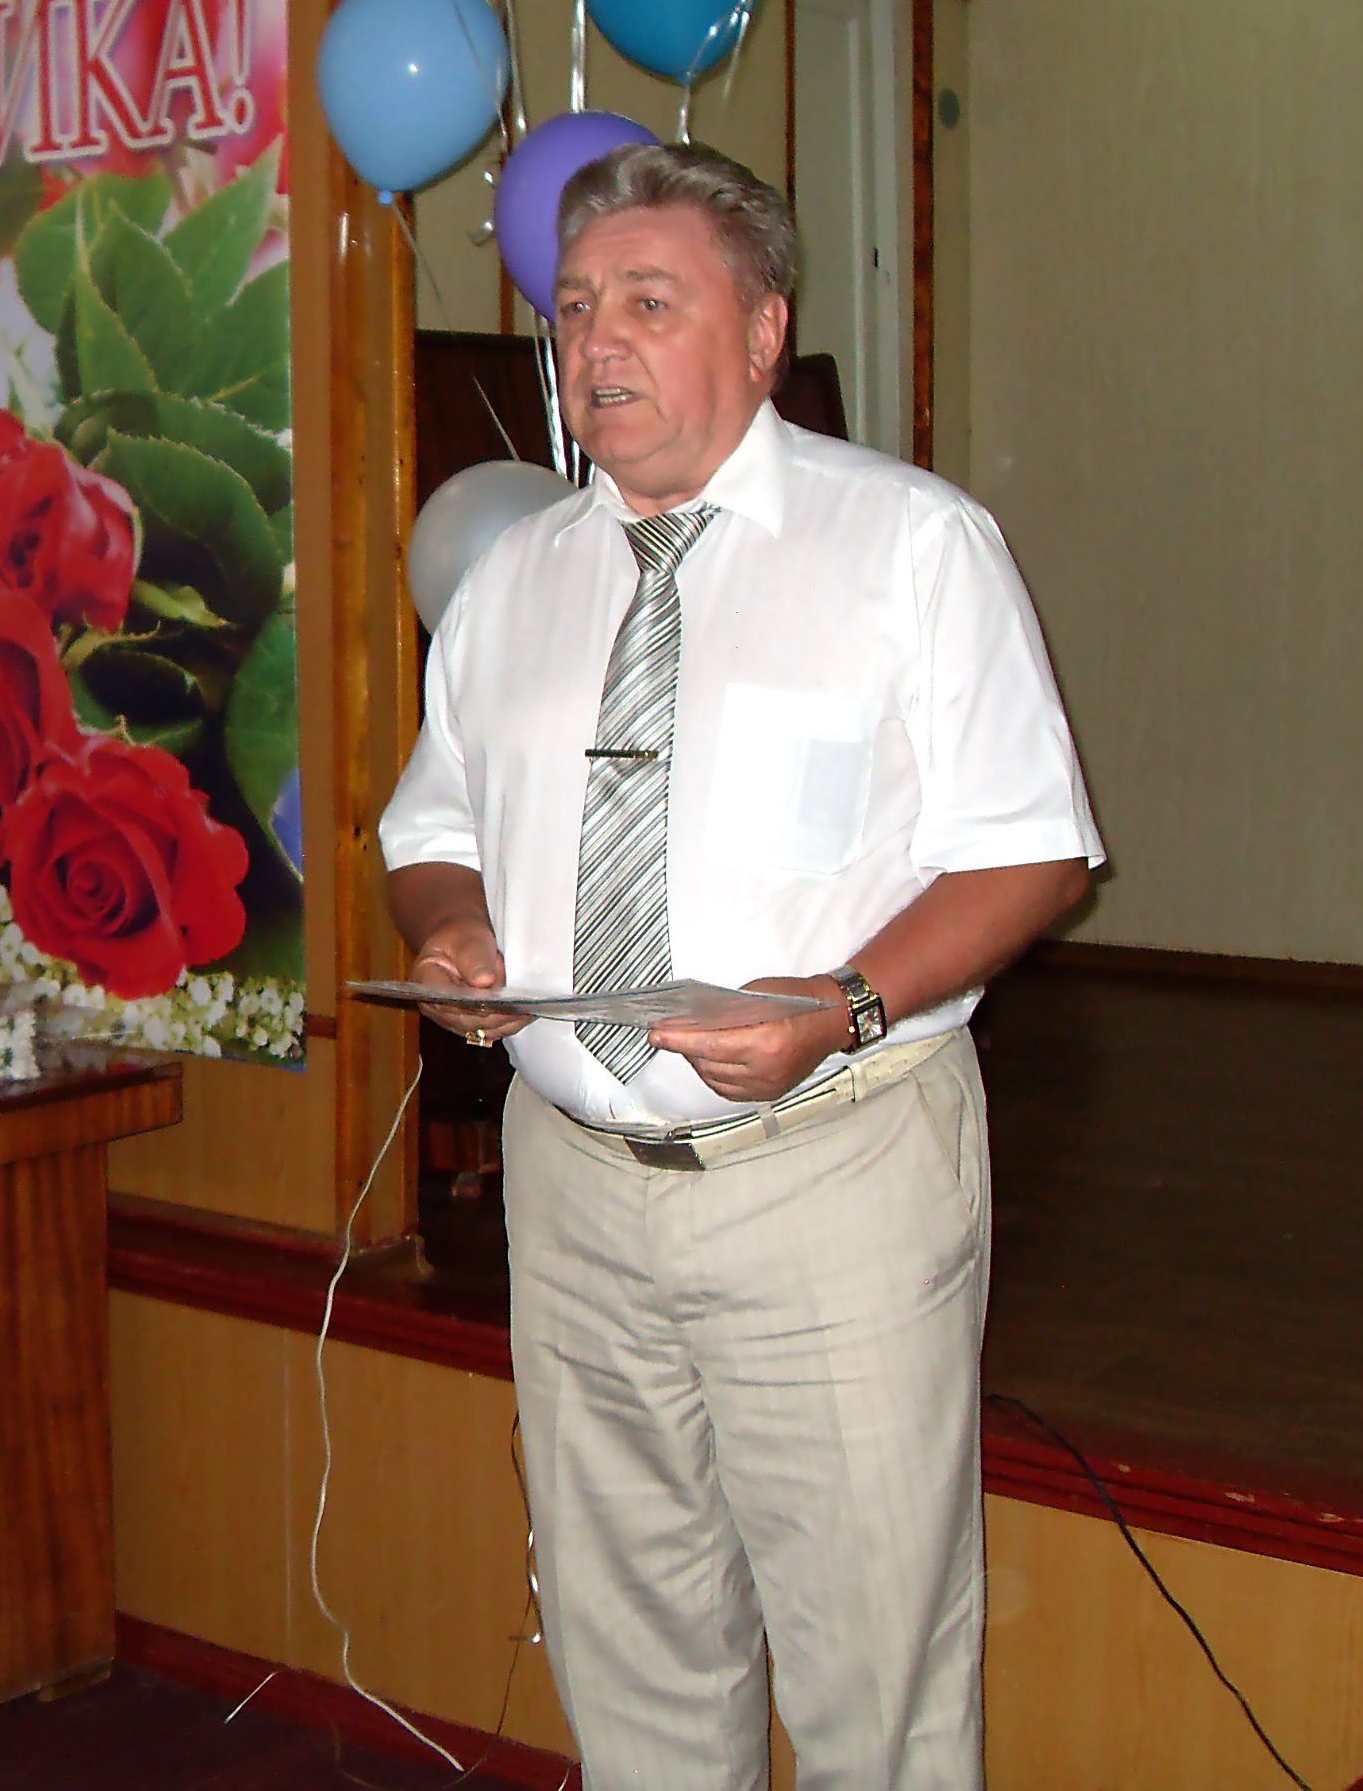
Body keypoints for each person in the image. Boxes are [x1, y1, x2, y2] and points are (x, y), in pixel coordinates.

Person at [379, 143, 1103, 1791]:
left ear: (764, 331)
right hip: (573, 1189)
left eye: (650, 302)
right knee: (628, 1650)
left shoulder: (910, 545)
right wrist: (448, 925)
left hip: (828, 1175)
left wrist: (839, 1004)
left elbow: (1033, 848)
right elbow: (433, 821)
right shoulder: (511, 580)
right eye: (575, 309)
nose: (597, 343)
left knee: (874, 1672)